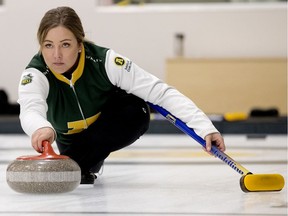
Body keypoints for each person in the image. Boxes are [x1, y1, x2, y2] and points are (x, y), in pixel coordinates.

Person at [18, 6, 225, 184]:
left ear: (80, 45)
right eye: (48, 45)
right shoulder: (35, 73)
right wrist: (41, 128)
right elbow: (30, 109)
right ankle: (76, 164)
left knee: (137, 109)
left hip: (107, 128)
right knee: (79, 159)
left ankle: (72, 165)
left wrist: (205, 127)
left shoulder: (105, 61)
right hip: (71, 142)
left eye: (65, 44)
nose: (56, 55)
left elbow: (160, 93)